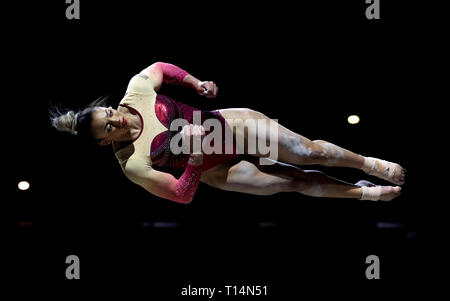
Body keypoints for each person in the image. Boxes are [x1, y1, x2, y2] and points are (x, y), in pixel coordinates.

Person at [51, 62, 405, 204]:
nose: (119, 120)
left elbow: (161, 68)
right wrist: (194, 159)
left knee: (310, 153)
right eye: (110, 127)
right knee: (292, 182)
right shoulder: (132, 164)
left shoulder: (136, 92)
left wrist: (194, 82)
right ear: (103, 142)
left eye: (110, 113)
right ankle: (366, 196)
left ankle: (368, 164)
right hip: (215, 169)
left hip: (230, 126)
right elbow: (181, 196)